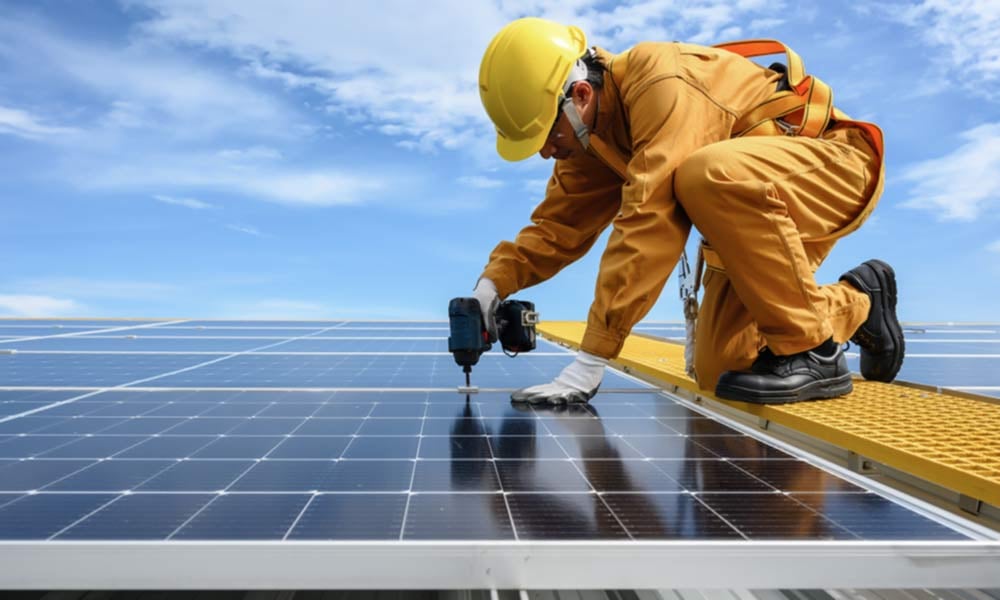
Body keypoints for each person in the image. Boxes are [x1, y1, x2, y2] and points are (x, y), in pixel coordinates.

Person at [472, 17, 904, 405]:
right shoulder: (591, 139)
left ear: (580, 95)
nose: (546, 153)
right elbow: (557, 226)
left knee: (702, 173)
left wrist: (592, 357)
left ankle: (815, 353)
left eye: (547, 135)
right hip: (755, 202)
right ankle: (861, 302)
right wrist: (492, 286)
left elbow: (649, 220)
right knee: (726, 366)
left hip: (832, 166)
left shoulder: (661, 83)